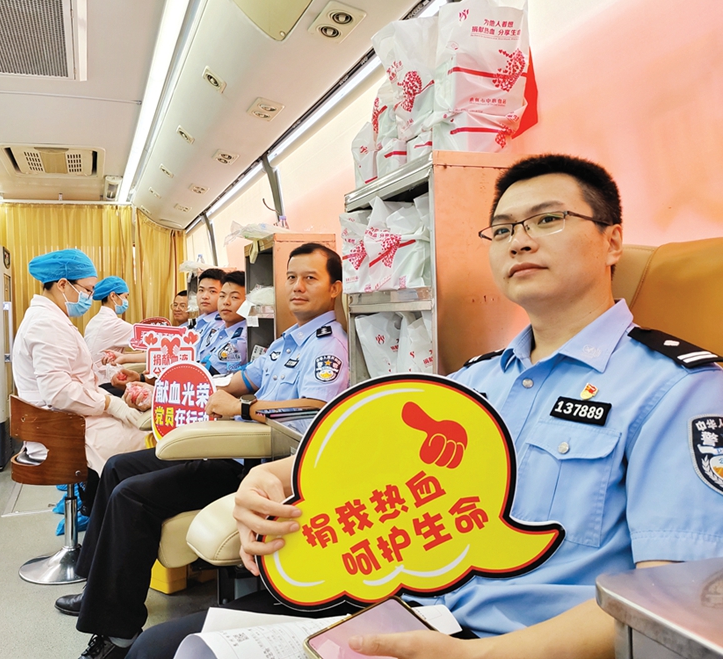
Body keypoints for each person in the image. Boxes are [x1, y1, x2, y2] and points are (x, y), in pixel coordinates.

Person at [129, 155, 723, 659]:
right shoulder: (476, 381)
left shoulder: (676, 390)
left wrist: (478, 656)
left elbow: (667, 598)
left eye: (548, 219)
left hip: (504, 643)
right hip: (401, 605)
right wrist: (268, 480)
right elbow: (367, 455)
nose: (520, 239)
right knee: (162, 648)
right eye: (503, 229)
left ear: (612, 239)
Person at [63, 243, 350, 659]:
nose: (297, 287)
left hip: (256, 465)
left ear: (335, 287)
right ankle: (96, 586)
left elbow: (314, 408)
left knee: (131, 497)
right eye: (291, 278)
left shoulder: (327, 345)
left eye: (310, 278)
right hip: (229, 446)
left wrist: (244, 409)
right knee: (118, 468)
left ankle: (116, 634)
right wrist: (169, 390)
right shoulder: (287, 341)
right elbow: (238, 380)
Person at [12, 249, 147, 473]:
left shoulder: (50, 318)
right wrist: (110, 404)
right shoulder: (46, 323)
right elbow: (58, 391)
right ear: (62, 284)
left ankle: (104, 494)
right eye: (87, 290)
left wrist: (111, 403)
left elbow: (77, 380)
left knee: (139, 431)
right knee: (151, 443)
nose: (90, 297)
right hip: (64, 428)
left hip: (69, 419)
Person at [199, 271, 248, 375]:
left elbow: (208, 372)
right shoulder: (217, 327)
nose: (226, 302)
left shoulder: (241, 339)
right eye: (222, 296)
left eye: (234, 297)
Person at [84, 276, 134, 365]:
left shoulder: (94, 321)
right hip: (104, 373)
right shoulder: (113, 324)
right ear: (113, 296)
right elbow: (151, 338)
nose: (126, 301)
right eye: (125, 297)